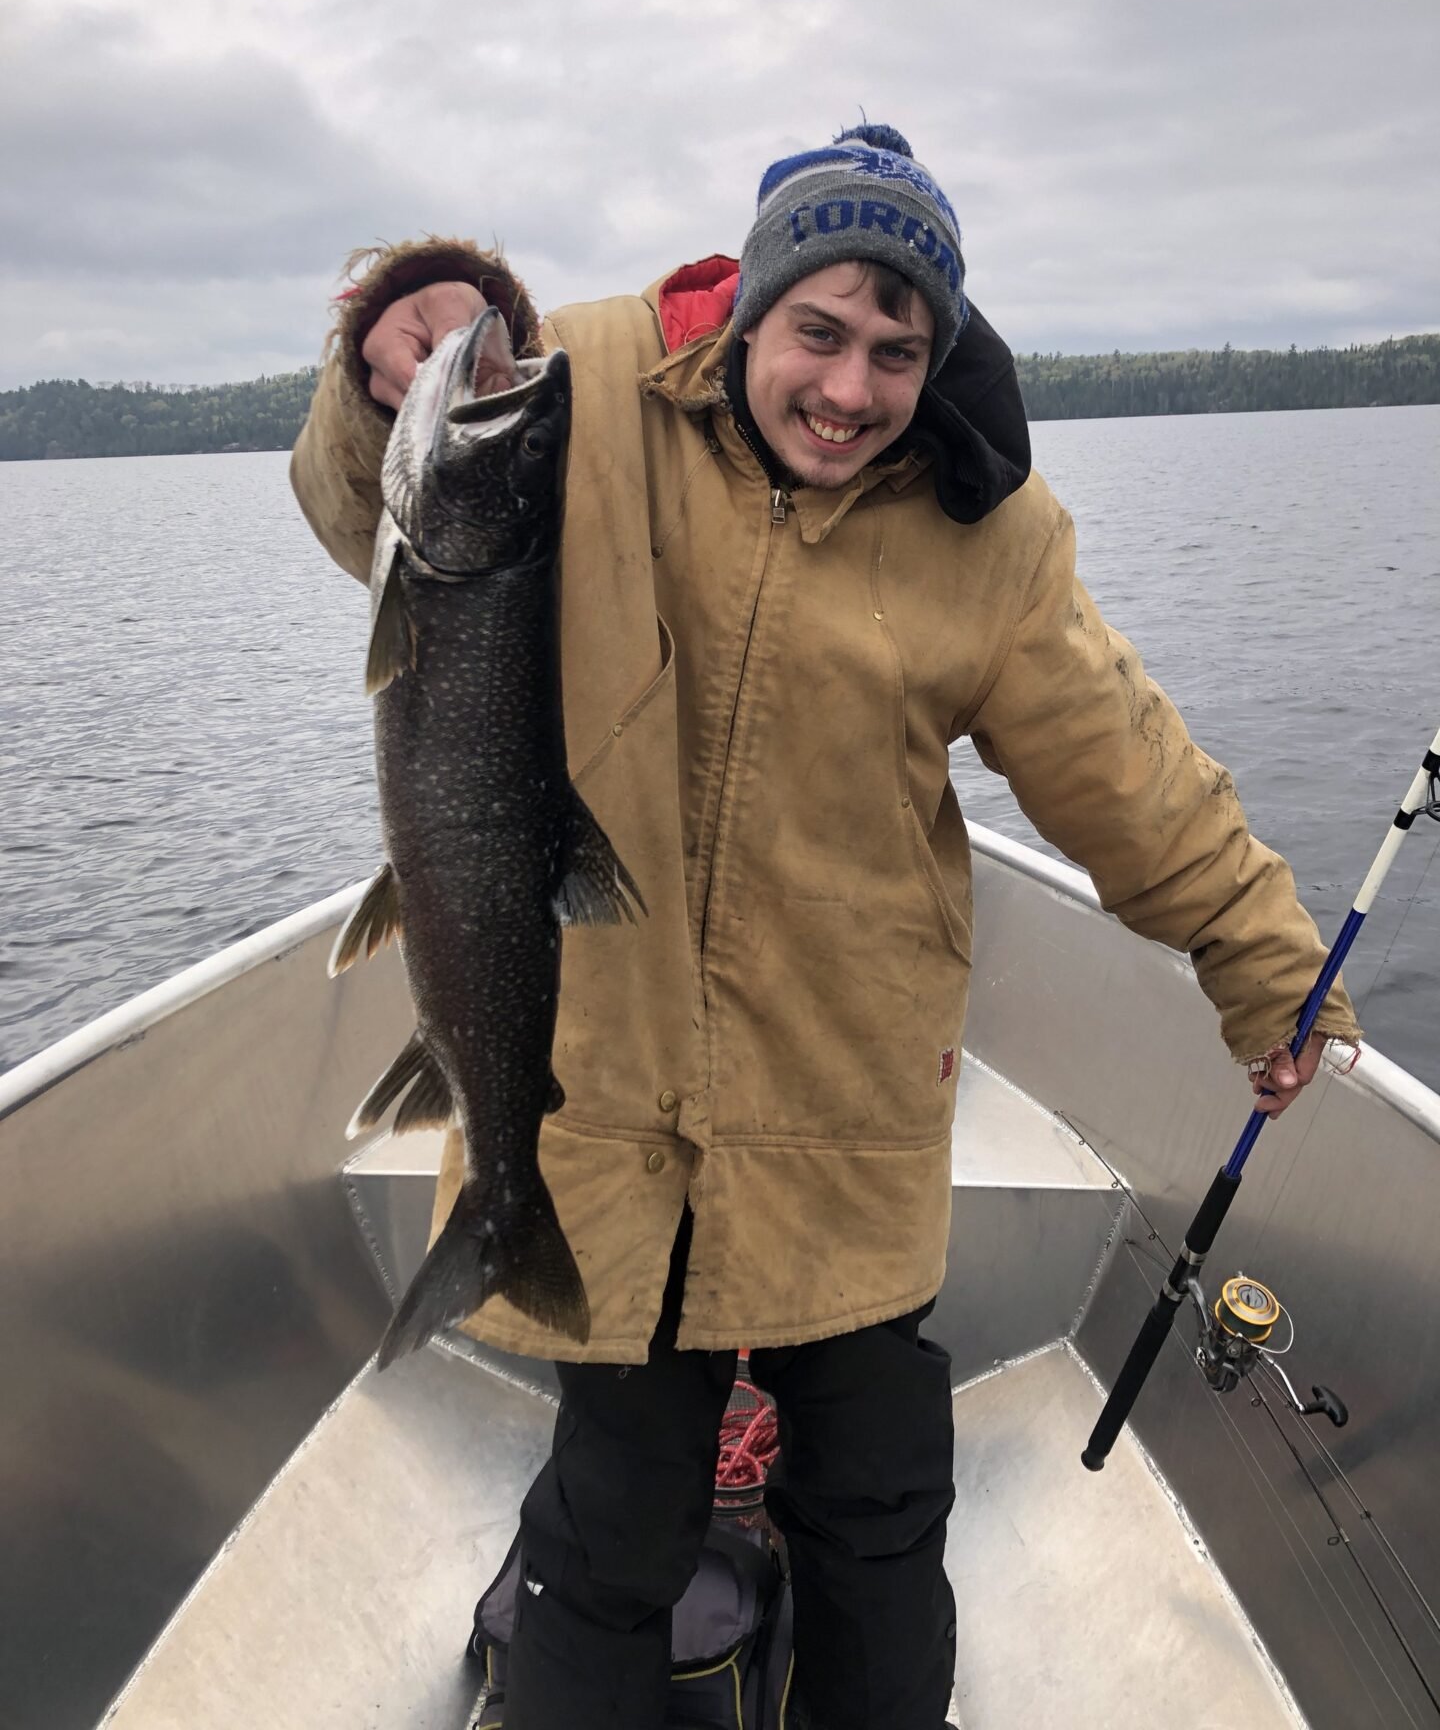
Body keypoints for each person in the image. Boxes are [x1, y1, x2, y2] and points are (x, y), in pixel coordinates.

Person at [290, 124, 1360, 1729]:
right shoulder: (580, 389)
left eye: (899, 351)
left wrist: (1268, 968)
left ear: (943, 355)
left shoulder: (988, 532)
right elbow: (360, 500)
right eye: (822, 333)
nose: (854, 392)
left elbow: (1126, 773)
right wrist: (399, 334)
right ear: (752, 308)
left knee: (876, 1529)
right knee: (608, 1537)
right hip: (610, 1119)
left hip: (847, 1112)